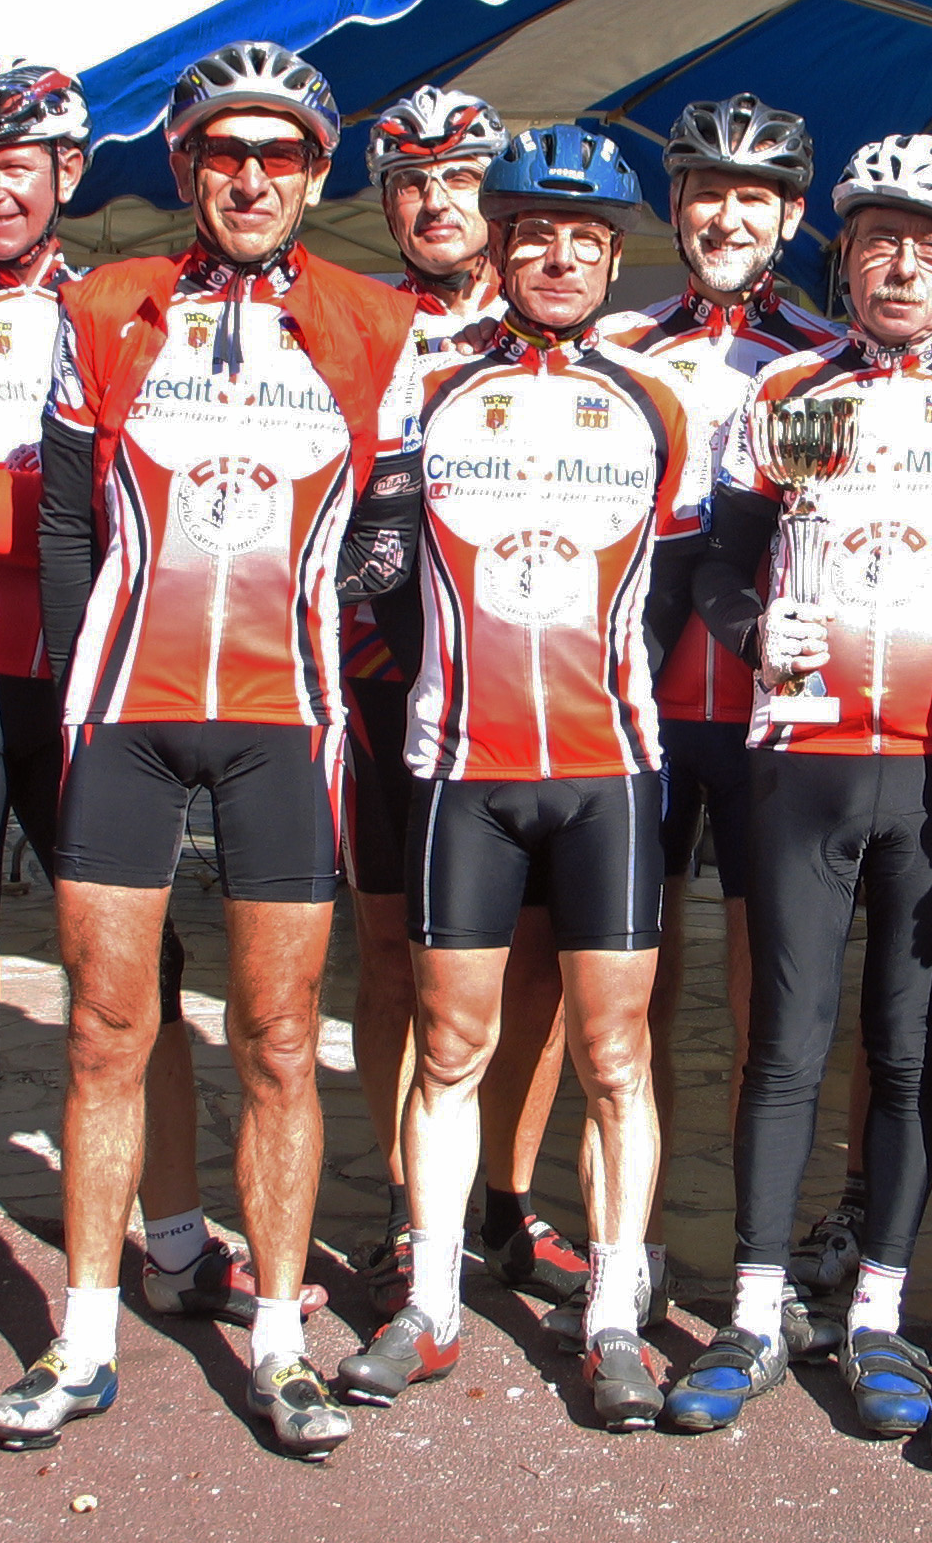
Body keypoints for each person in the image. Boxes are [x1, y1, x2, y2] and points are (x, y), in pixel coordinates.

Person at [0, 41, 412, 1458]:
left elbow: (391, 542)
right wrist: (75, 695)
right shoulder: (105, 306)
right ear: (184, 167)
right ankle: (87, 1339)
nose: (252, 177)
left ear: (316, 174)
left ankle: (280, 1344)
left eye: (280, 154)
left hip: (287, 723)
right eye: (226, 151)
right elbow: (63, 522)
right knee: (108, 1031)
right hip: (128, 715)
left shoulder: (377, 321)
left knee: (279, 1038)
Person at [330, 123, 698, 1434]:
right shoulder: (424, 386)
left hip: (609, 772)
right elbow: (373, 569)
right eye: (535, 235)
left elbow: (679, 583)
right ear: (501, 244)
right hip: (461, 769)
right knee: (451, 1045)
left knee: (614, 1053)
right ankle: (429, 1302)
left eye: (585, 240)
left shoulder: (658, 398)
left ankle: (612, 1321)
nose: (558, 259)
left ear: (613, 255)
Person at [660, 133, 932, 1439]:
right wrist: (752, 629)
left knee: (909, 1051)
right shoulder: (793, 389)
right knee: (784, 1043)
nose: (901, 268)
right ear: (845, 258)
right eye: (878, 244)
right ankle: (756, 1316)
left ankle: (878, 1315)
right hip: (803, 759)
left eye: (930, 248)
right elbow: (720, 561)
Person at [342, 85, 587, 1323]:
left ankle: (510, 1200)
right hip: (389, 696)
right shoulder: (351, 328)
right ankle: (408, 1206)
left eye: (458, 177)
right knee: (397, 957)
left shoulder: (564, 321)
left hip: (532, 698)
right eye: (409, 184)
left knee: (538, 963)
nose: (436, 202)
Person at [605, 93, 839, 1316]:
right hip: (637, 709)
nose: (729, 216)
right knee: (628, 1002)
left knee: (772, 1005)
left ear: (792, 216)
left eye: (756, 195)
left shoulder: (827, 361)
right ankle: (630, 1244)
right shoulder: (616, 345)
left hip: (770, 716)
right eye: (708, 192)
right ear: (675, 206)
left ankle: (765, 1255)